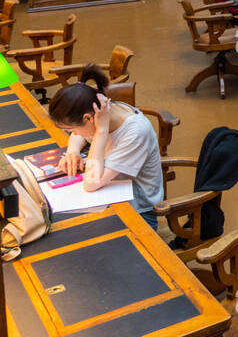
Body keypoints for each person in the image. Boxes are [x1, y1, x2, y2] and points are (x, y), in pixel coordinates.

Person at [49, 64, 164, 230]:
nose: (72, 133)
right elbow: (78, 136)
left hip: (137, 212)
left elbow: (91, 183)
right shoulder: (101, 113)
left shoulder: (135, 132)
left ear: (89, 118)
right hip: (106, 197)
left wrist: (101, 132)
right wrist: (72, 151)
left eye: (70, 128)